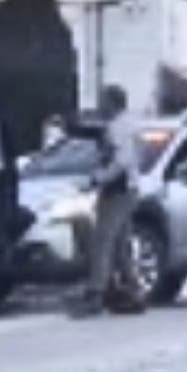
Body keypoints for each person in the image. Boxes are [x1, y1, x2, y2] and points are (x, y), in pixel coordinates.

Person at [71, 84, 146, 318]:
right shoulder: (132, 125)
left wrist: (97, 179)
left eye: (103, 101)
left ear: (113, 103)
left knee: (102, 242)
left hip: (117, 190)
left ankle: (96, 295)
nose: (100, 106)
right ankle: (133, 293)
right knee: (121, 244)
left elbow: (121, 162)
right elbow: (138, 156)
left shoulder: (117, 128)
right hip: (130, 188)